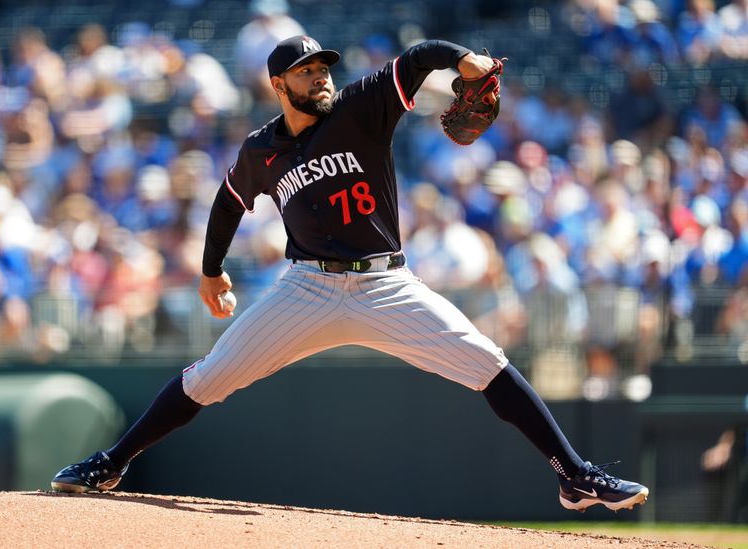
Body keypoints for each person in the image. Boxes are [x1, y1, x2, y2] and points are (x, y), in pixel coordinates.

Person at [51, 35, 650, 513]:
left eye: (323, 68)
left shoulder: (362, 108)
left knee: (488, 363)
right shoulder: (262, 149)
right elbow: (230, 201)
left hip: (385, 284)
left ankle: (577, 477)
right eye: (307, 70)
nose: (321, 77)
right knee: (209, 378)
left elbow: (417, 59)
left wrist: (463, 61)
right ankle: (112, 463)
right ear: (278, 84)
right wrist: (211, 272)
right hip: (305, 288)